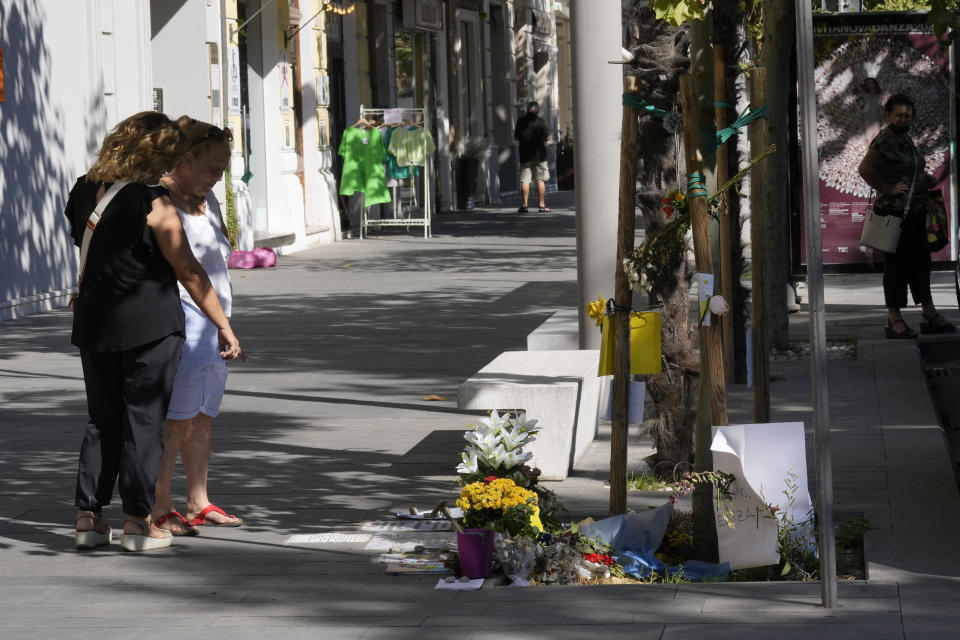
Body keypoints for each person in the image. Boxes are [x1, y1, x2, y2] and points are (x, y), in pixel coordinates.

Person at [66, 111, 243, 552]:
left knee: (101, 421)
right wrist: (223, 324)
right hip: (150, 326)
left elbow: (94, 248)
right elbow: (189, 272)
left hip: (94, 324)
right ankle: (138, 522)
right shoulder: (155, 204)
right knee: (144, 421)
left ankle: (88, 517)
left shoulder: (83, 190)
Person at [151, 118, 244, 535]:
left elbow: (220, 257)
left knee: (203, 415)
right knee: (176, 419)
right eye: (212, 168)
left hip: (215, 325)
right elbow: (183, 269)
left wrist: (223, 322)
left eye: (223, 170)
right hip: (185, 324)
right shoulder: (162, 199)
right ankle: (160, 504)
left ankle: (198, 499)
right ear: (186, 158)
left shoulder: (207, 201)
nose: (217, 177)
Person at [857, 93, 955, 339]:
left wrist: (924, 178)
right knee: (897, 267)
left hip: (914, 213)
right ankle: (894, 319)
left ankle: (928, 313)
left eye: (908, 115)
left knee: (921, 263)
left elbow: (907, 168)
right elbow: (865, 169)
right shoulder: (884, 141)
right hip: (894, 214)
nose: (903, 119)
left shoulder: (905, 138)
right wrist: (888, 188)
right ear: (887, 115)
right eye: (899, 115)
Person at [514, 101, 551, 213]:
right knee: (540, 180)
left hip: (525, 155)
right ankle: (542, 205)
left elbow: (516, 137)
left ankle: (525, 206)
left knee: (525, 180)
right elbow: (548, 137)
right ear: (537, 110)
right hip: (540, 156)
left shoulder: (520, 121)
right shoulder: (541, 122)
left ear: (527, 109)